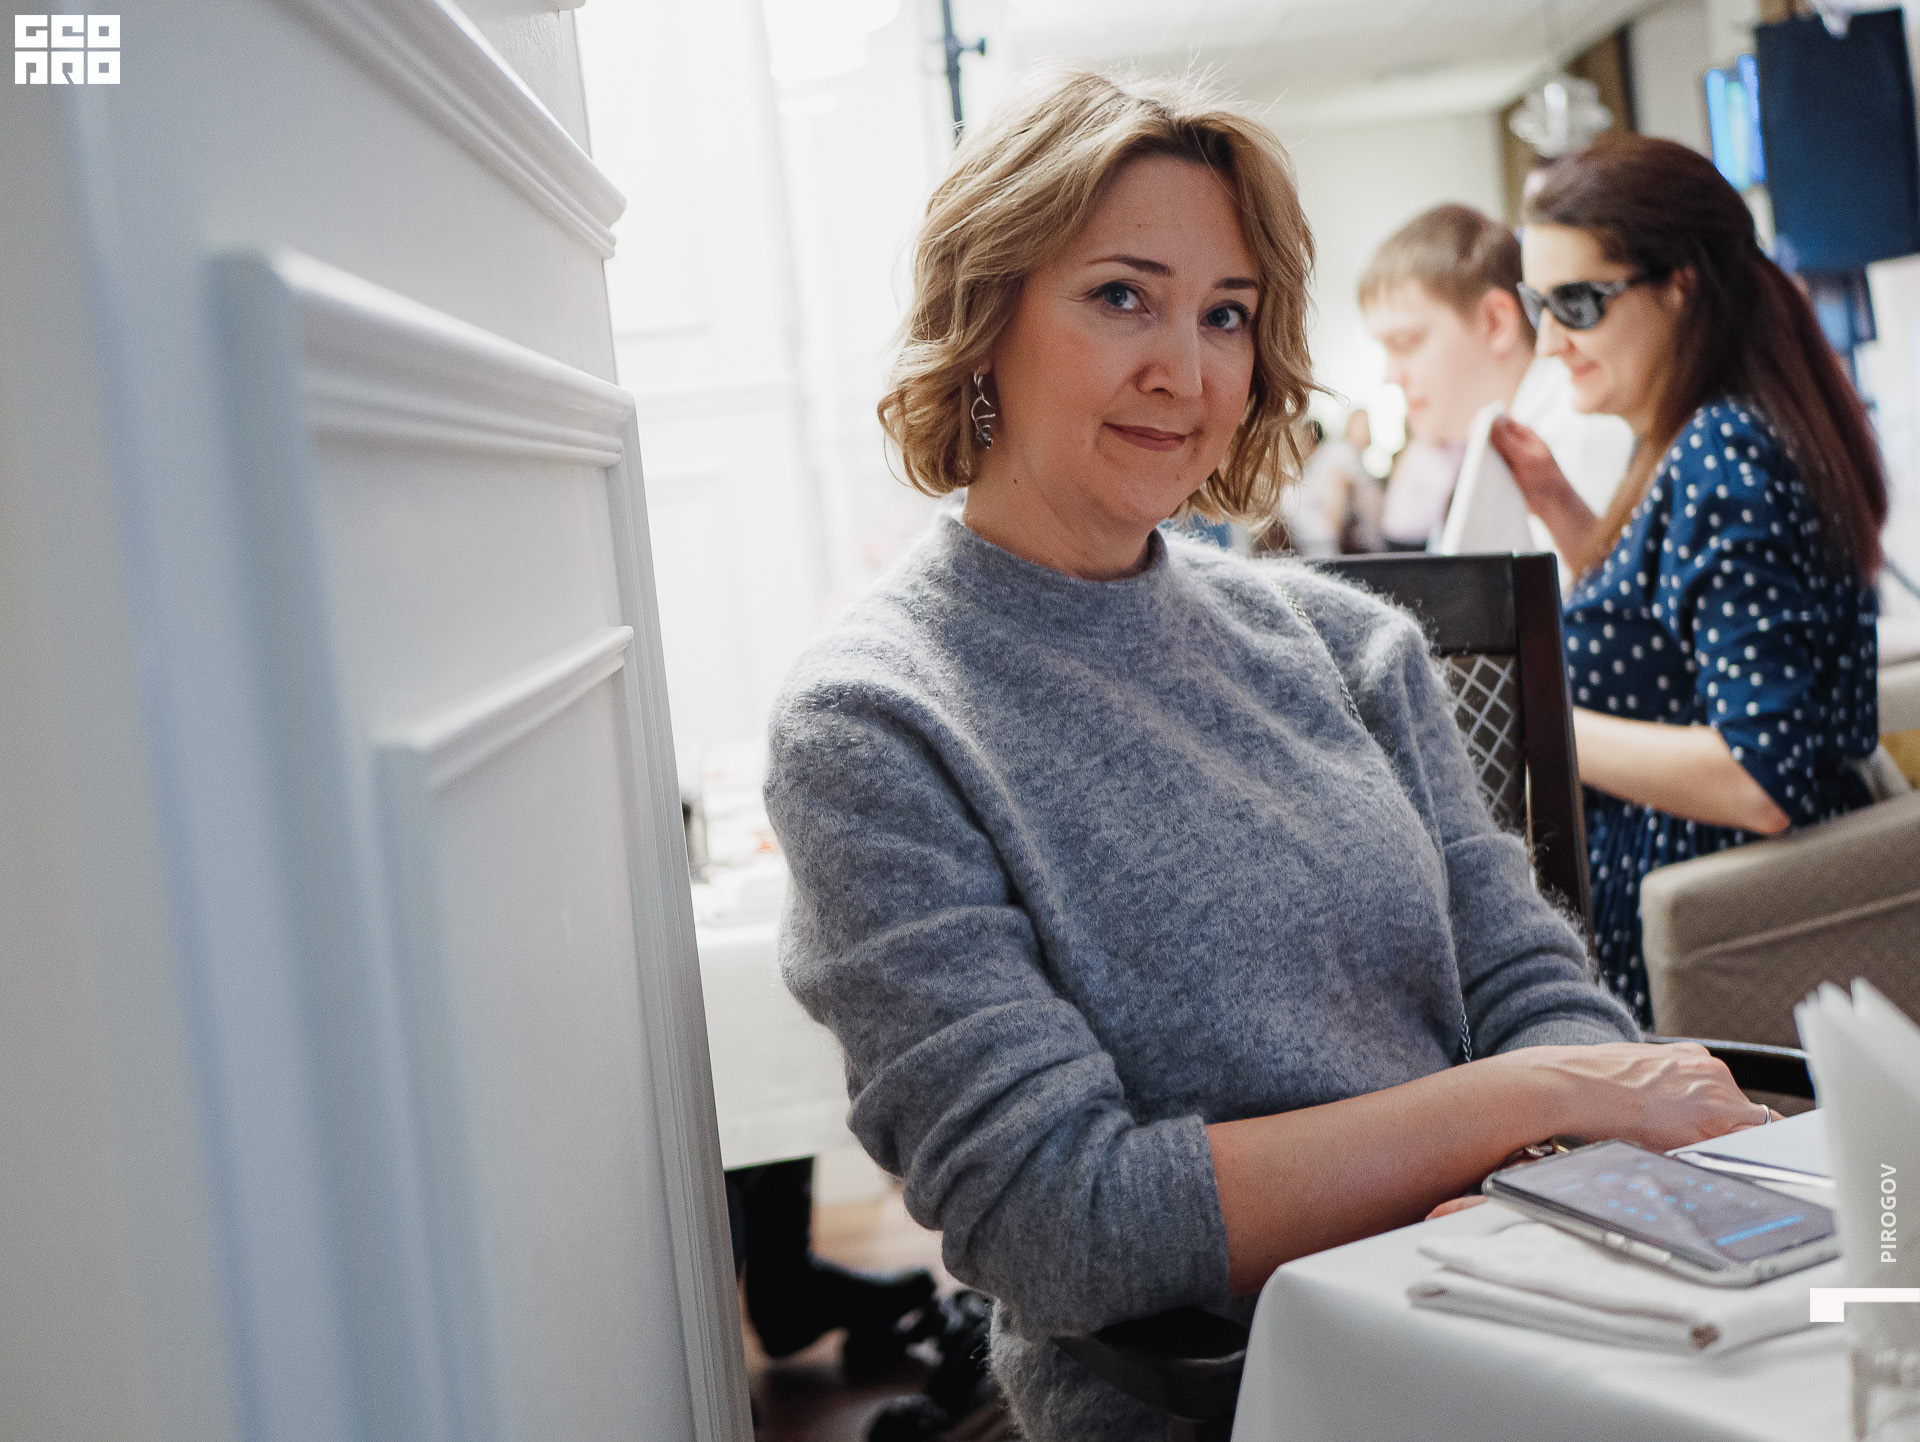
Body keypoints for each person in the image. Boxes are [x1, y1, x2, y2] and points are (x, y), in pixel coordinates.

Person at [762, 73, 1769, 1441]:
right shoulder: (875, 721)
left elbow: (1532, 982)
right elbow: (1065, 1219)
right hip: (1226, 1400)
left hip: (1520, 1306)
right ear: (984, 310)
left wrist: (1528, 1161)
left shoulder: (1346, 645)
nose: (1186, 367)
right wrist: (1540, 1101)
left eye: (1225, 313)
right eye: (1124, 294)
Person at [1488, 133, 1886, 1025]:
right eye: (1537, 305)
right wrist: (1561, 507)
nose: (1550, 342)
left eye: (1579, 304)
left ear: (1680, 286)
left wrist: (1537, 722)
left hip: (1715, 924)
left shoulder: (1723, 455)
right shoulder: (1697, 437)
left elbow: (1761, 778)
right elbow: (1670, 632)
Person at [1361, 203, 1634, 562]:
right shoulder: (1494, 439)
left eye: (1406, 342)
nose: (1390, 376)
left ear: (1495, 322)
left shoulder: (1580, 432)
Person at [1280, 409, 1383, 555]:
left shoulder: (1337, 455)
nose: (1367, 432)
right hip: (1322, 539)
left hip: (1323, 538)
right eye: (1362, 427)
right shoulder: (1340, 454)